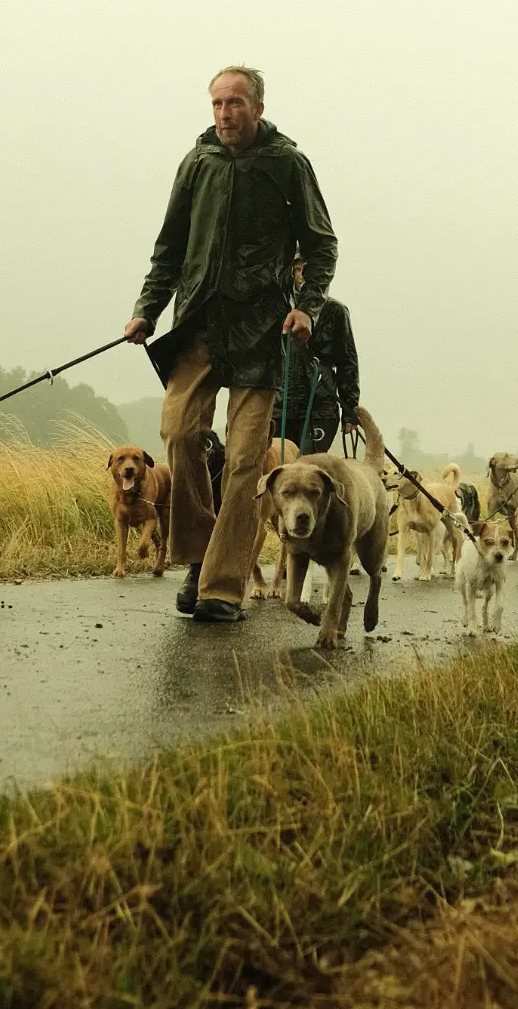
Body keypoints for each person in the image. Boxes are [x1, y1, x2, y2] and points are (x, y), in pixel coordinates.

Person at [124, 66, 337, 623]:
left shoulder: (288, 163)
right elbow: (168, 247)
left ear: (258, 107)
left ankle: (221, 587)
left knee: (246, 460)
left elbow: (322, 244)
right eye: (217, 103)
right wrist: (147, 309)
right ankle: (197, 556)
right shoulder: (197, 164)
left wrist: (306, 307)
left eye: (235, 103)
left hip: (261, 332)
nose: (225, 113)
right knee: (178, 432)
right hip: (196, 323)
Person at [272, 251, 359, 454]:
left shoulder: (336, 311)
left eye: (308, 269)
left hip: (321, 406)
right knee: (278, 471)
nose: (303, 275)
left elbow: (348, 362)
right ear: (291, 272)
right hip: (279, 407)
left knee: (309, 469)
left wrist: (350, 410)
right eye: (299, 269)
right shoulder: (276, 309)